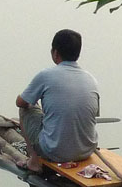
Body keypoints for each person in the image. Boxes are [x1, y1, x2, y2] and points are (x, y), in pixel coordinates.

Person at [15, 29, 99, 173]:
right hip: (87, 151)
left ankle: (34, 162)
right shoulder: (91, 79)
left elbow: (20, 102)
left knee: (26, 108)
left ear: (55, 53)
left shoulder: (46, 75)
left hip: (54, 152)